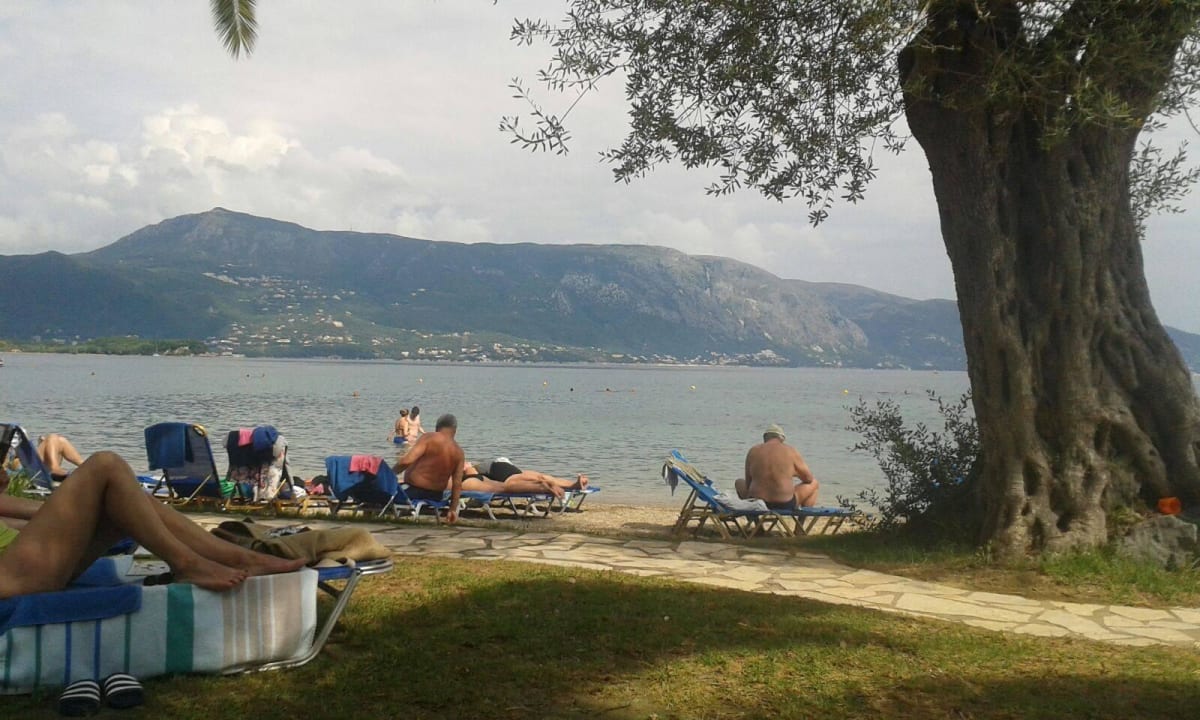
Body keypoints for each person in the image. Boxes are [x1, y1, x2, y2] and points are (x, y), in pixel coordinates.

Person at [0, 451, 306, 599]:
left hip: (18, 562)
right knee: (106, 465)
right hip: (12, 578)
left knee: (126, 500)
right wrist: (55, 512)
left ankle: (238, 557)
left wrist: (55, 513)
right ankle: (189, 563)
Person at [392, 413, 463, 523]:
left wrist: (390, 473)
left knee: (385, 491)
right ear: (455, 430)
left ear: (437, 427)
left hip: (414, 491)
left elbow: (406, 461)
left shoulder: (430, 437)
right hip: (436, 496)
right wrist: (452, 509)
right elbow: (457, 484)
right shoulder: (459, 452)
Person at [735, 424, 819, 510]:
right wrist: (790, 473)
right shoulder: (790, 451)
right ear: (782, 439)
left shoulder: (753, 451)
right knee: (814, 483)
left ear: (765, 438)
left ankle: (755, 521)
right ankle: (801, 521)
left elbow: (748, 484)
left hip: (756, 503)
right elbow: (808, 479)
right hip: (784, 503)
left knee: (738, 482)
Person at [463, 458, 588, 499]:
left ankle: (541, 486)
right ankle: (574, 485)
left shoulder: (471, 469)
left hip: (500, 471)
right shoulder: (480, 464)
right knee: (541, 476)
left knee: (510, 483)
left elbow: (476, 481)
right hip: (507, 466)